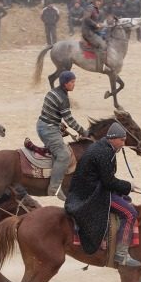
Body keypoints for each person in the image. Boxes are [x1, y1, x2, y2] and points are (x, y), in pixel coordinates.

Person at [65, 122, 141, 268]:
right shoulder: (105, 153)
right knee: (130, 213)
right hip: (93, 194)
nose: (123, 144)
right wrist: (128, 186)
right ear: (113, 138)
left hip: (87, 190)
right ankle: (121, 254)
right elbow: (109, 182)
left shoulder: (101, 147)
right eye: (122, 140)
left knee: (125, 199)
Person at [37, 70, 88, 200]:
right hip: (49, 129)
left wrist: (59, 125)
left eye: (74, 81)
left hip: (44, 125)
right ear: (65, 83)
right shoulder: (63, 98)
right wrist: (83, 132)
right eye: (72, 82)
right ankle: (54, 188)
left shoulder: (53, 92)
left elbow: (49, 112)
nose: (74, 84)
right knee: (64, 155)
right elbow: (69, 120)